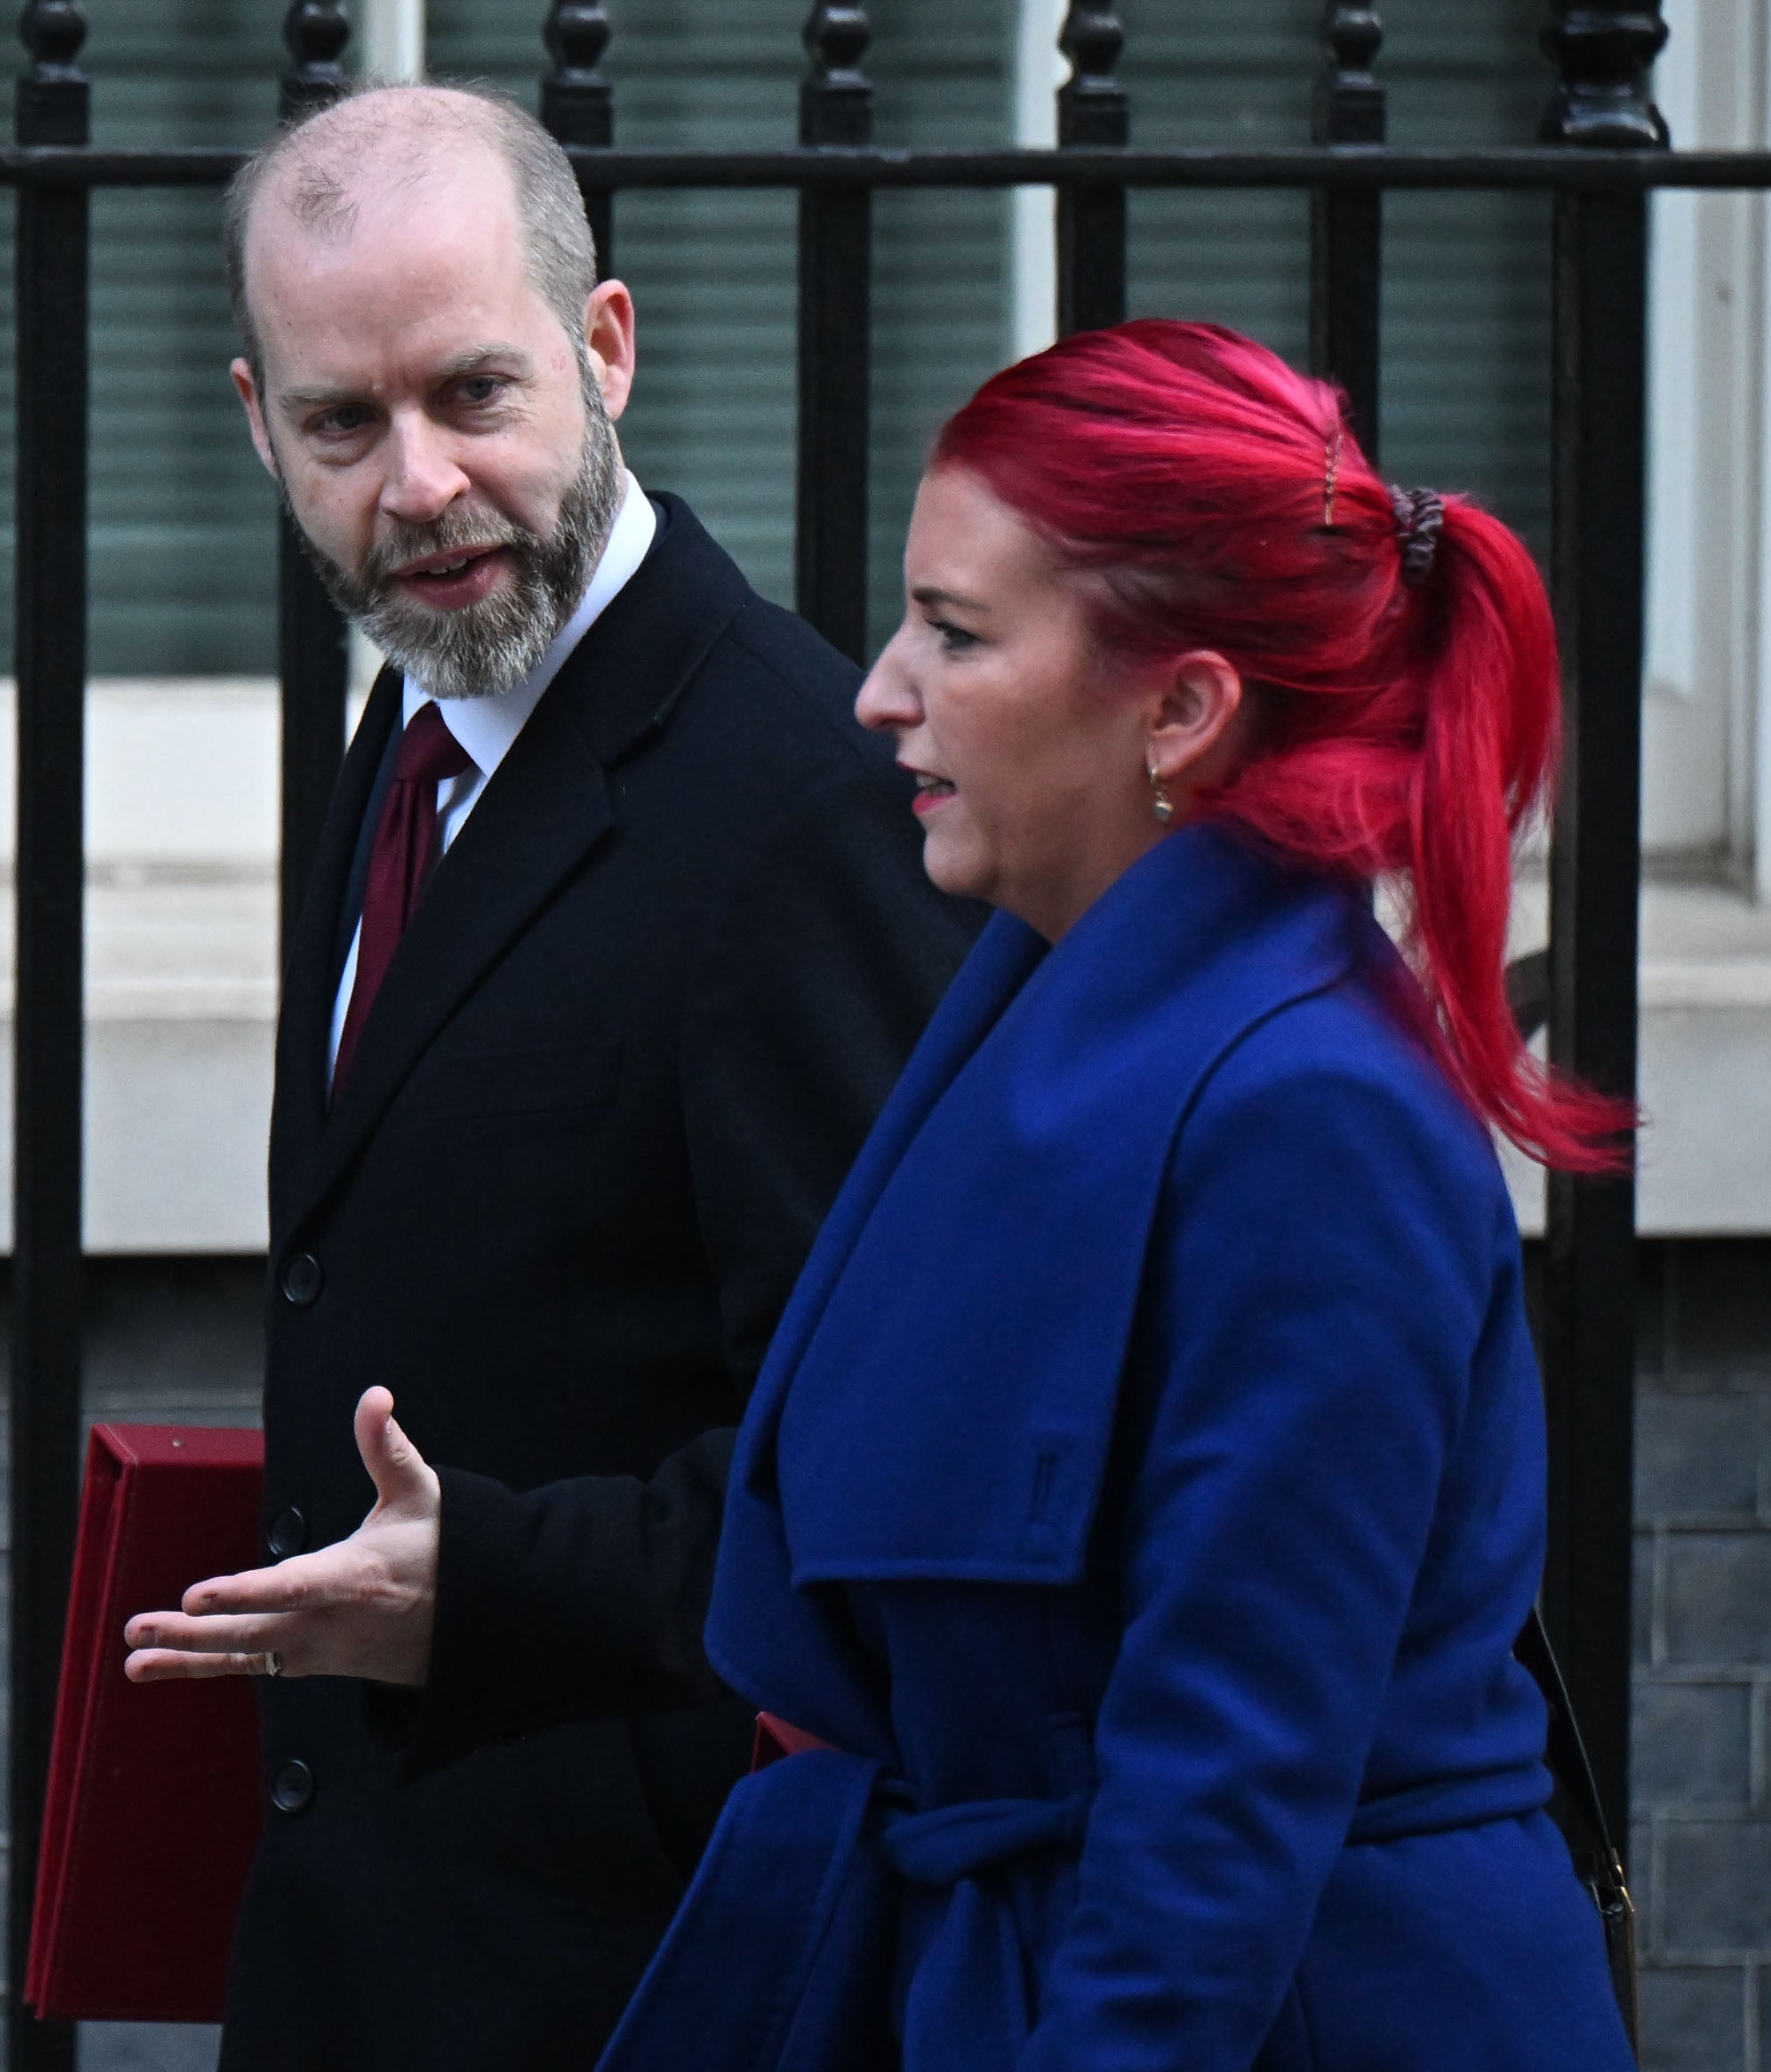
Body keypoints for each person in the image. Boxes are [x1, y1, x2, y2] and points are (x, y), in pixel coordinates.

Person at [595, 321, 1642, 2072]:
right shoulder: (1059, 997)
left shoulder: (1311, 1114)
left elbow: (1219, 1808)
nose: (877, 690)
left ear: (1182, 706)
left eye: (955, 631)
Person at [116, 85, 977, 2072]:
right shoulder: (420, 715)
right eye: (344, 424)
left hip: (644, 1979)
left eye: (473, 394)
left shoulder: (798, 808)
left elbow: (879, 1462)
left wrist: (489, 1586)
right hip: (375, 1956)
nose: (417, 485)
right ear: (260, 423)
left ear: (606, 351)